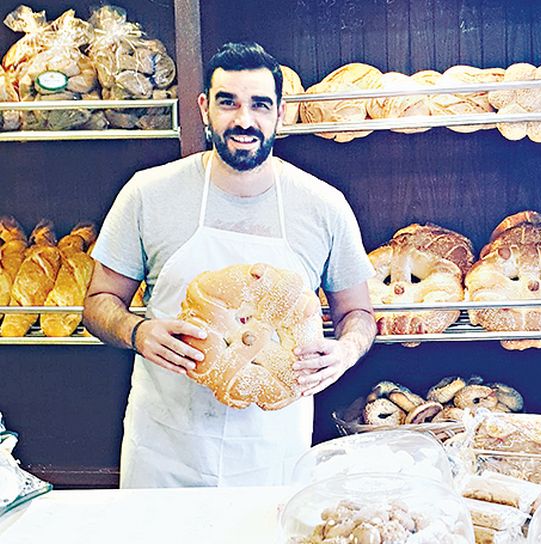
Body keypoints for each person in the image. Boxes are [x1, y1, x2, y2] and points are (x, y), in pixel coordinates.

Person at [83, 42, 377, 488]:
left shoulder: (324, 205)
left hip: (272, 452)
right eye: (228, 102)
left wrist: (346, 351)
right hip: (166, 450)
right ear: (204, 108)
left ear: (280, 113)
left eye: (260, 105)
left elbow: (358, 313)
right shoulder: (147, 194)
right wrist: (136, 332)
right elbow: (98, 302)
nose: (244, 119)